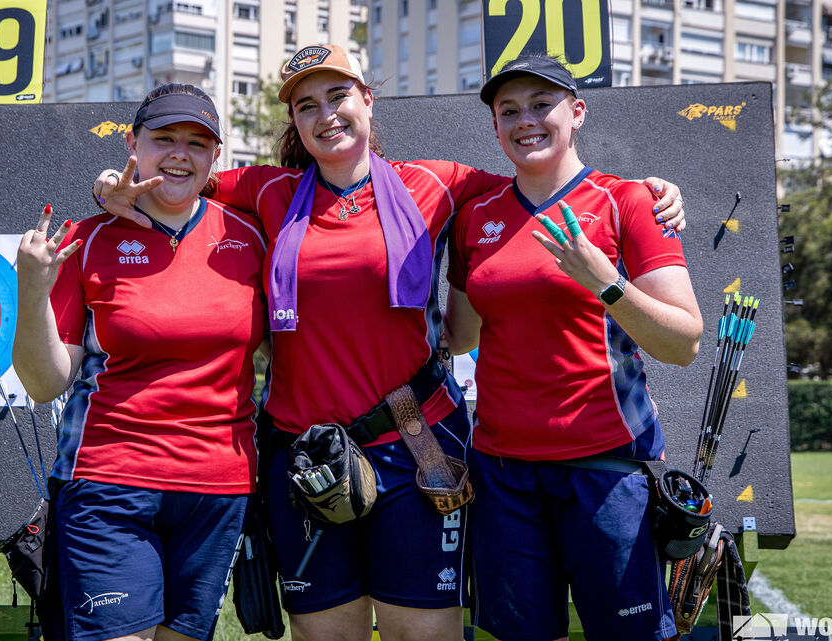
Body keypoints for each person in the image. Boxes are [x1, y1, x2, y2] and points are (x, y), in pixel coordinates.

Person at [91, 45, 687, 641]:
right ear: (295, 122)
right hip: (306, 453)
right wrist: (113, 189)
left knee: (422, 634)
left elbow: (536, 185)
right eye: (307, 105)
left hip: (416, 442)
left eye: (339, 95)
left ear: (368, 102)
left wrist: (647, 192)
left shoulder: (437, 183)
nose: (326, 114)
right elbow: (177, 175)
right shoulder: (267, 192)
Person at [444, 53, 703, 641]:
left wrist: (604, 282)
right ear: (494, 126)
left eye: (542, 104)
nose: (525, 120)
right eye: (509, 110)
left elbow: (684, 342)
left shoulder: (630, 201)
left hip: (605, 469)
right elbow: (458, 336)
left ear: (578, 112)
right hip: (503, 474)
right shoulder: (475, 218)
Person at [12, 84, 267, 641]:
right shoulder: (86, 239)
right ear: (132, 145)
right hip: (109, 479)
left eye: (198, 142)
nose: (181, 153)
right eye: (164, 139)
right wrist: (30, 291)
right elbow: (43, 383)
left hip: (218, 486)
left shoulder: (250, 236)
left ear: (216, 157)